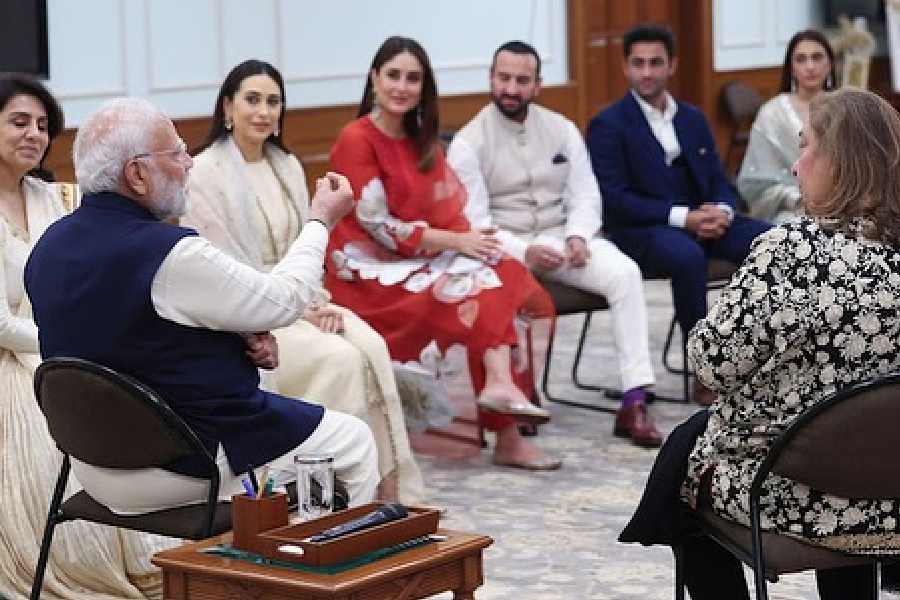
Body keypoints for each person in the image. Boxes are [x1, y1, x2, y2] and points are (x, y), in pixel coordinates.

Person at [25, 97, 379, 518]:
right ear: (137, 174)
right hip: (181, 464)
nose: (189, 163)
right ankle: (327, 570)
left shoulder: (48, 246)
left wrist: (234, 338)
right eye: (176, 152)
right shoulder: (168, 253)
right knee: (354, 441)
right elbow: (283, 300)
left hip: (92, 463)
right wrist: (320, 220)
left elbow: (123, 335)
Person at [622, 88, 900, 599]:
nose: (796, 168)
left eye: (806, 148)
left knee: (684, 479)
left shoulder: (788, 252)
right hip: (889, 497)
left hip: (781, 490)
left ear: (840, 163)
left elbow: (710, 364)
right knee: (850, 449)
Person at [183, 59, 425, 504]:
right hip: (251, 317)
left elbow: (308, 242)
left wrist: (316, 302)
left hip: (304, 299)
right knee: (342, 360)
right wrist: (295, 304)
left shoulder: (286, 163)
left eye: (273, 101)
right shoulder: (203, 172)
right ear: (227, 108)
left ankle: (390, 494)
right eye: (252, 100)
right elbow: (221, 270)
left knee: (371, 345)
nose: (263, 111)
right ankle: (341, 499)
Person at [327, 36, 560, 471]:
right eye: (392, 75)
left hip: (420, 256)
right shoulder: (356, 138)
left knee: (502, 272)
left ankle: (500, 389)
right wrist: (458, 245)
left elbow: (448, 208)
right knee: (477, 286)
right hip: (367, 269)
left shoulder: (421, 139)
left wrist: (474, 244)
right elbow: (380, 227)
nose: (402, 86)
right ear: (374, 79)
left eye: (412, 78)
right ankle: (504, 421)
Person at [0, 76, 175, 600]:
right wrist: (64, 343)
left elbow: (91, 277)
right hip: (16, 357)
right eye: (18, 122)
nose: (34, 134)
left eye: (42, 124)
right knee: (55, 422)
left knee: (144, 394)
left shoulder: (57, 197)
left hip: (67, 348)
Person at [448, 41, 661, 448]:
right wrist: (522, 251)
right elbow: (476, 223)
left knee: (625, 274)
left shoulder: (561, 128)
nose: (511, 88)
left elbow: (586, 194)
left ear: (538, 85)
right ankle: (519, 394)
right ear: (491, 79)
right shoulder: (468, 142)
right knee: (504, 284)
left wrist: (579, 235)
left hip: (562, 239)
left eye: (521, 80)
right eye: (504, 78)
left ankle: (635, 399)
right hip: (506, 249)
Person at [586, 23, 770, 406]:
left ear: (673, 65)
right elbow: (615, 200)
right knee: (687, 258)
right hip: (642, 229)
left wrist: (721, 210)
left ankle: (757, 354)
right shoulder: (608, 125)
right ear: (625, 68)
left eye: (656, 62)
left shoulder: (692, 118)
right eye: (638, 63)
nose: (647, 72)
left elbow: (720, 180)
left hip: (701, 222)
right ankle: (704, 370)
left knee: (768, 242)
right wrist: (682, 218)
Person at [737, 29, 836, 225]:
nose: (810, 66)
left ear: (830, 64)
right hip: (791, 208)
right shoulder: (772, 113)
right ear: (791, 67)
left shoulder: (846, 109)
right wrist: (800, 200)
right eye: (801, 59)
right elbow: (758, 182)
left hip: (842, 204)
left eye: (817, 57)